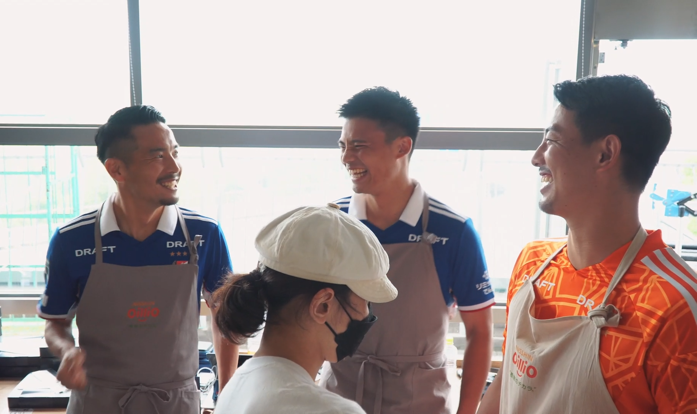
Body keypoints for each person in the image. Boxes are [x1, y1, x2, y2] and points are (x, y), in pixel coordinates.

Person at [477, 75, 697, 414]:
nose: (537, 157)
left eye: (551, 140)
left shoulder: (673, 306)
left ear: (605, 154)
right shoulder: (533, 263)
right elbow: (506, 383)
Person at [36, 105, 236, 414]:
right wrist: (67, 352)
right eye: (158, 156)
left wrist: (227, 396)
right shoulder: (71, 239)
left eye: (175, 153)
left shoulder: (203, 234)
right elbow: (56, 323)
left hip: (176, 402)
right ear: (116, 170)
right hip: (96, 401)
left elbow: (226, 317)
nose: (175, 167)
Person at [320, 87, 495, 414]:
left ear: (402, 146)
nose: (346, 158)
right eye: (343, 146)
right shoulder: (331, 222)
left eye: (359, 146)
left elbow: (480, 332)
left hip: (421, 399)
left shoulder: (452, 231)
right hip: (338, 397)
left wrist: (467, 411)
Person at [211, 203, 397, 414]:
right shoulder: (329, 411)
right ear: (322, 305)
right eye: (366, 301)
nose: (367, 314)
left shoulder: (238, 385)